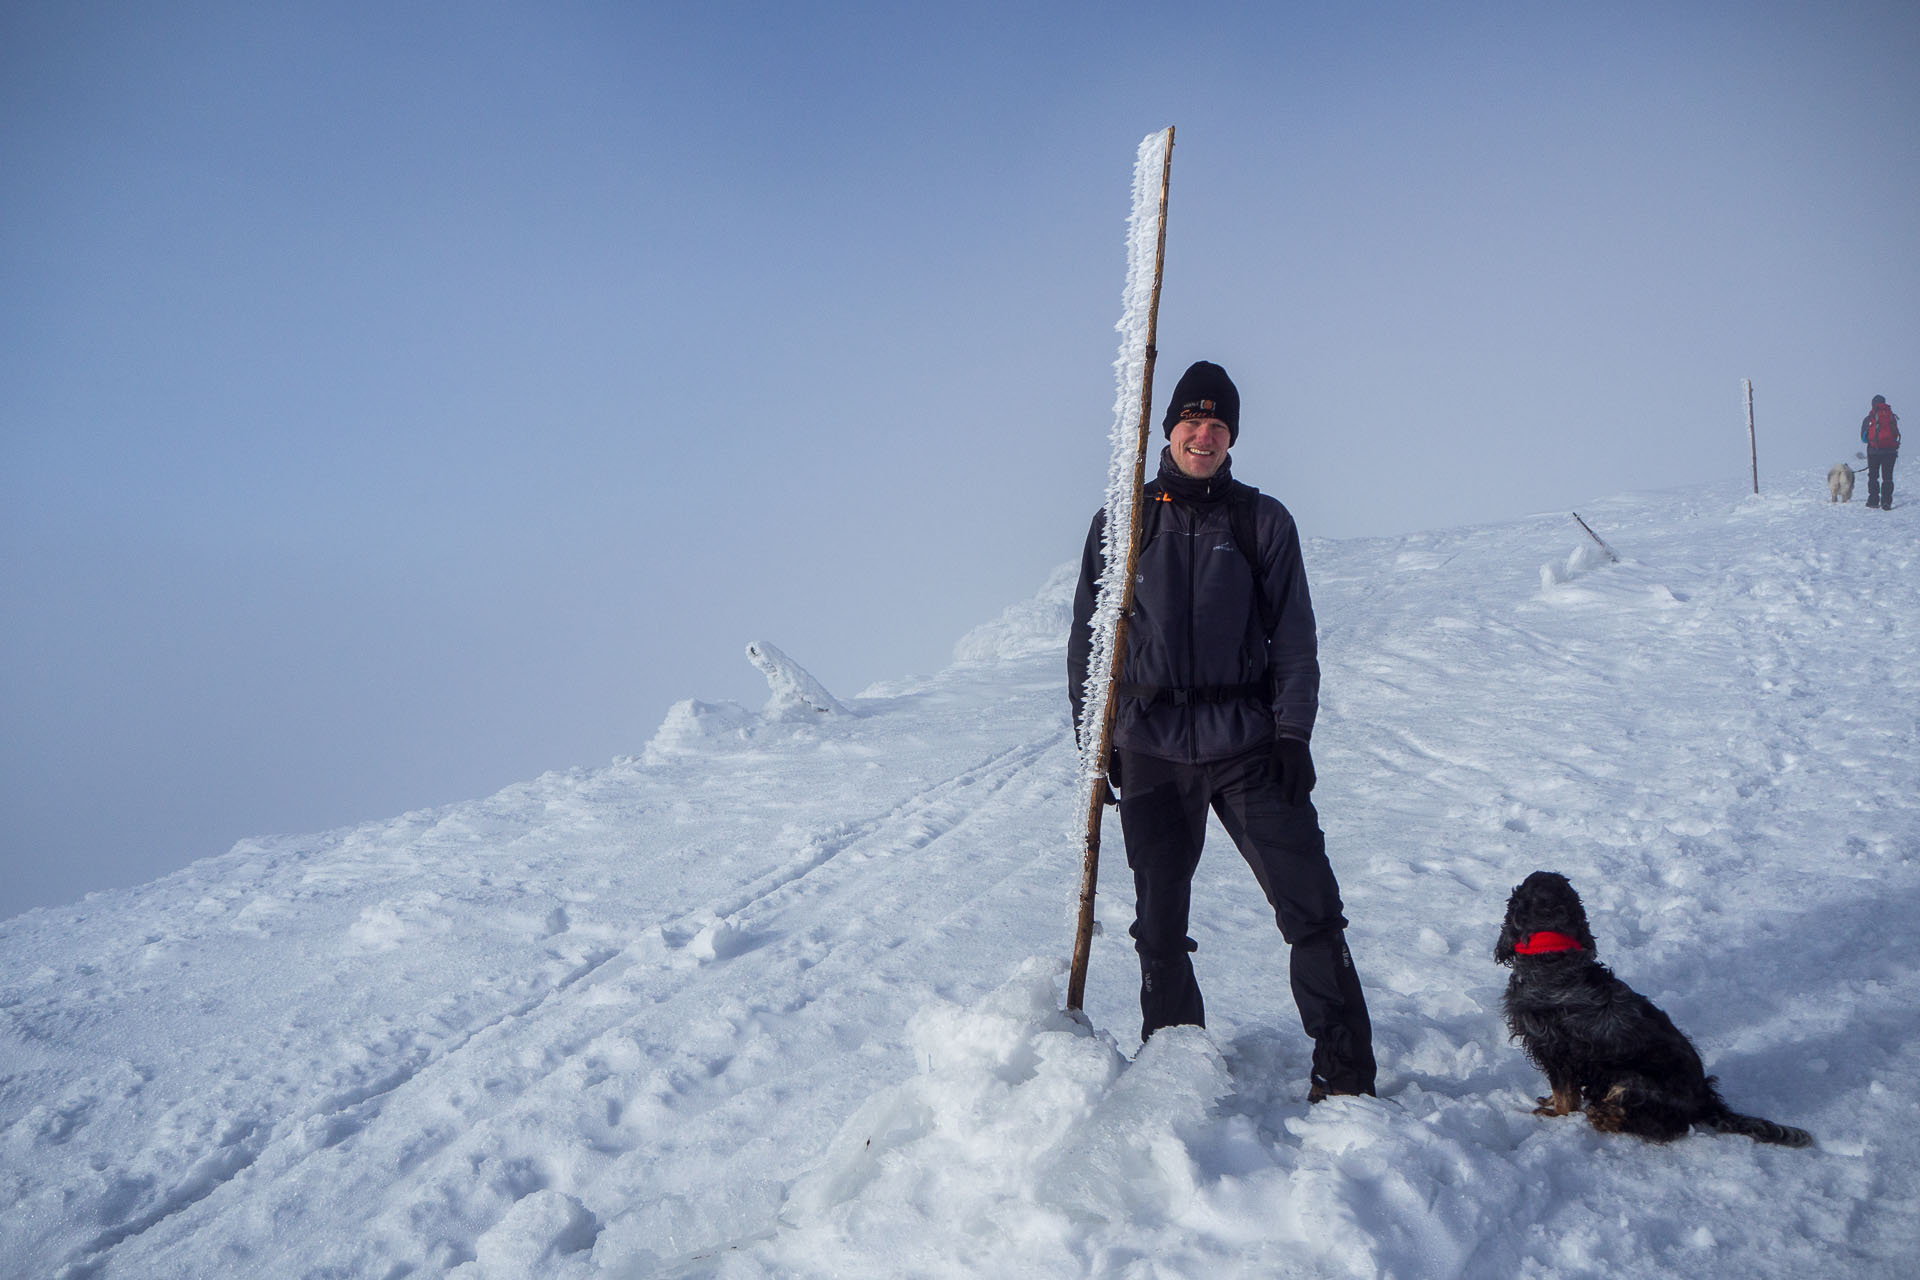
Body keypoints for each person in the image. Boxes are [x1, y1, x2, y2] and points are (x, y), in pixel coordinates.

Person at [1067, 359, 1377, 1102]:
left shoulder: (1260, 520)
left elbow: (1294, 639)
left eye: (1217, 425)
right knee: (1159, 926)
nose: (1203, 436)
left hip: (1248, 746)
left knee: (1310, 910)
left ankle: (1346, 1077)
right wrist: (1096, 744)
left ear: (1231, 436)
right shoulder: (1123, 520)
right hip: (1151, 748)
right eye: (1190, 423)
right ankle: (1176, 1073)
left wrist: (1292, 736)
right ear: (1167, 429)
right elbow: (1088, 641)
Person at [1862, 394, 1900, 510]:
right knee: (1887, 477)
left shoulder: (1869, 418)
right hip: (1890, 452)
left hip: (1874, 452)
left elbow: (1863, 438)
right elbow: (1896, 434)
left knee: (1873, 476)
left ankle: (1873, 500)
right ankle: (1886, 502)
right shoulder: (1891, 417)